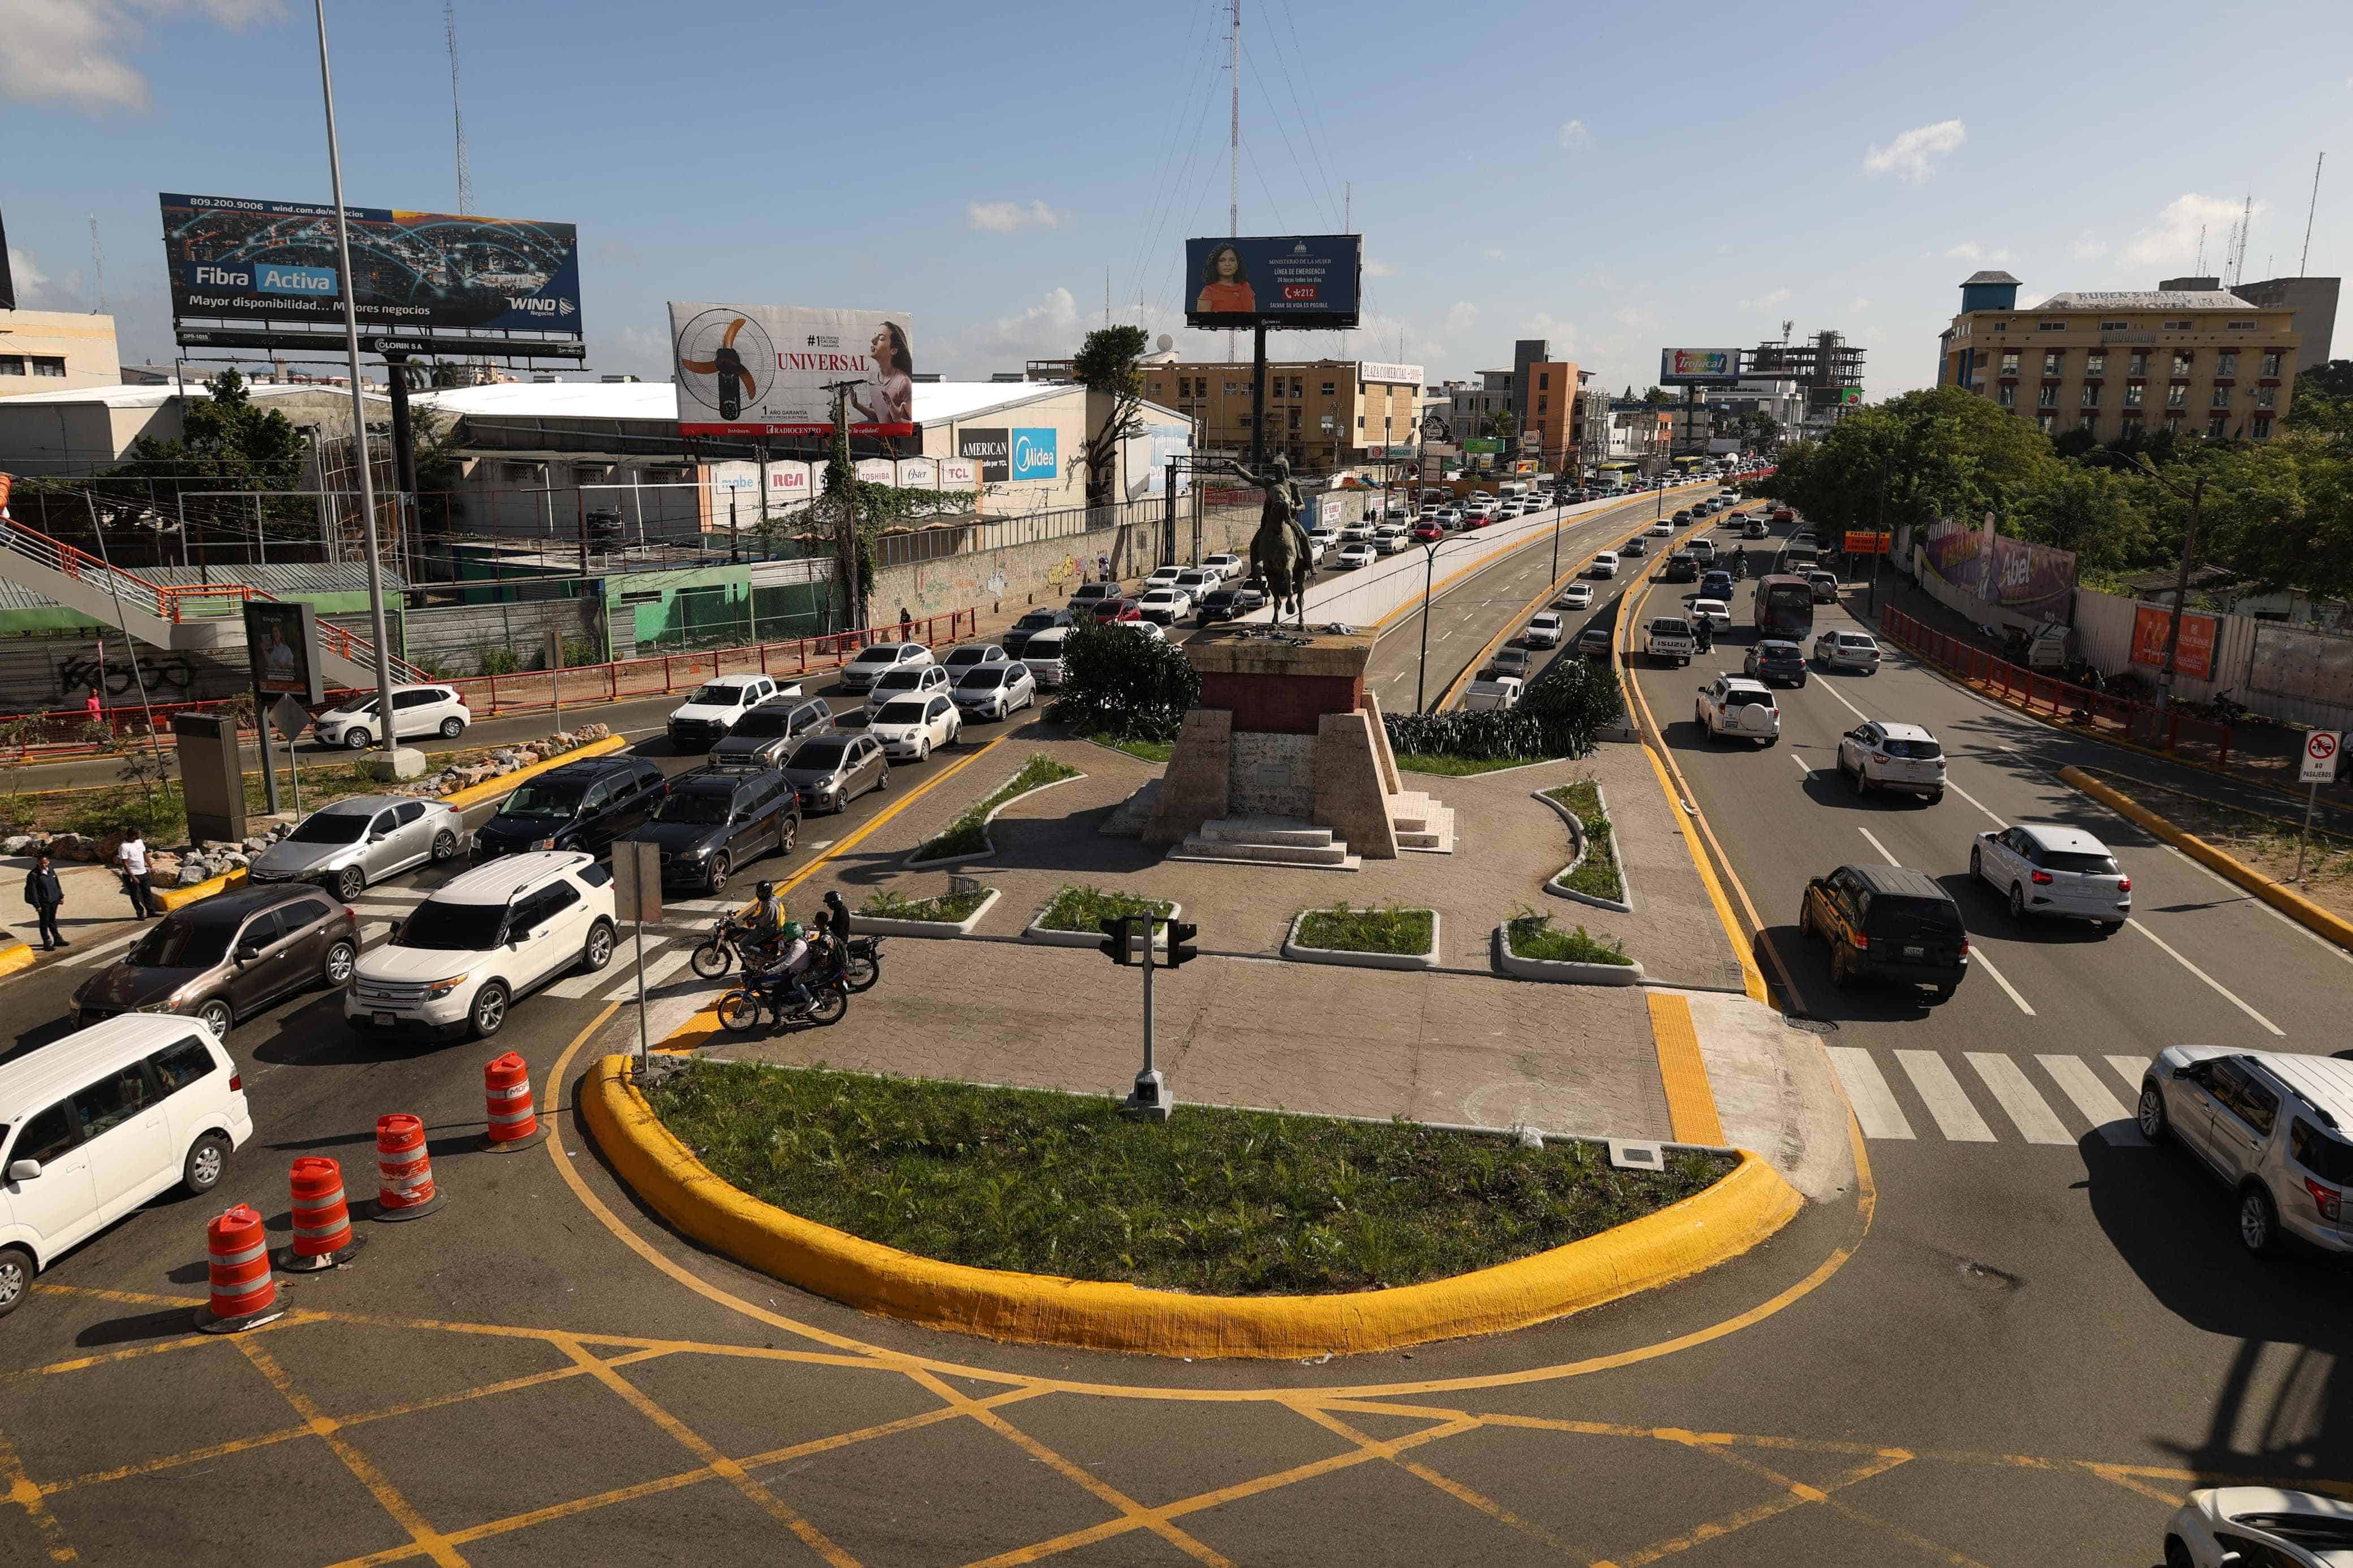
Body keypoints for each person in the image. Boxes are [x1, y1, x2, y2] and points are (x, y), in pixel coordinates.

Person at [848, 321, 914, 427]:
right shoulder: (873, 378)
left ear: (893, 351)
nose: (873, 341)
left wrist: (898, 420)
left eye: (882, 339)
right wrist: (857, 406)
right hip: (882, 441)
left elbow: (915, 427)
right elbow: (881, 418)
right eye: (875, 335)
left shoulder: (903, 383)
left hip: (899, 443)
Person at [1194, 243, 1256, 314]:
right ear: (1216, 265)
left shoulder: (1246, 287)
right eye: (1222, 260)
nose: (1228, 264)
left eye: (1232, 260)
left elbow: (1254, 321)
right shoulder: (1208, 292)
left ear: (1238, 265)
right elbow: (1204, 323)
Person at [23, 853, 64, 951]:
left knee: (52, 920)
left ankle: (58, 939)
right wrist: (37, 905)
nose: (44, 865)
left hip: (54, 900)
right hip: (44, 903)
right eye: (42, 863)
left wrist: (61, 896)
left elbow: (57, 884)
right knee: (44, 923)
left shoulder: (51, 871)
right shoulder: (33, 875)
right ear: (38, 863)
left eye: (46, 863)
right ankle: (47, 942)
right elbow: (32, 891)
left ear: (49, 862)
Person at [115, 826, 154, 919]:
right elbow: (125, 863)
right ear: (133, 836)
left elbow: (144, 854)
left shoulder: (139, 842)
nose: (140, 835)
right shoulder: (124, 847)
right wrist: (133, 877)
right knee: (135, 895)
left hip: (143, 872)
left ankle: (151, 912)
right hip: (132, 874)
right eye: (139, 834)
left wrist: (151, 866)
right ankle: (140, 914)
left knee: (147, 893)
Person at [821, 888, 851, 952]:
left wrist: (825, 929)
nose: (828, 905)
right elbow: (835, 924)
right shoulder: (839, 909)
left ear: (833, 903)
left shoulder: (841, 914)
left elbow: (837, 931)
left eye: (829, 903)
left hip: (840, 941)